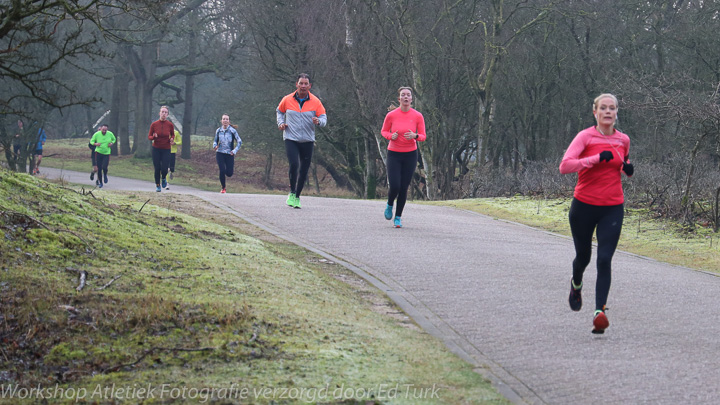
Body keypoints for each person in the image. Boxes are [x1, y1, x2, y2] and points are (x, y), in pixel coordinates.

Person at [559, 93, 634, 334]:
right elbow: (565, 166)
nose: (608, 112)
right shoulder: (585, 136)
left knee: (604, 259)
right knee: (584, 257)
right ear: (595, 112)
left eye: (612, 108)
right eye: (603, 108)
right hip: (584, 206)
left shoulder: (623, 139)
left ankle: (599, 313)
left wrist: (627, 170)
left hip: (612, 207)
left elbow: (622, 164)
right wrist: (594, 159)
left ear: (616, 112)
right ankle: (576, 283)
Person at [276, 73, 327, 209]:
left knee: (304, 169)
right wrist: (281, 123)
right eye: (301, 83)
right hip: (291, 138)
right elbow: (279, 112)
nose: (303, 86)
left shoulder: (316, 101)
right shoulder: (287, 99)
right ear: (296, 84)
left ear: (310, 86)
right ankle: (292, 192)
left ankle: (297, 196)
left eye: (306, 84)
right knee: (294, 164)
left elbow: (323, 118)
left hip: (307, 140)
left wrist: (319, 122)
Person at [380, 86, 426, 228]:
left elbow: (423, 136)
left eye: (408, 95)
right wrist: (390, 136)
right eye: (403, 95)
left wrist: (415, 136)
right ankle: (389, 204)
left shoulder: (417, 116)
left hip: (410, 155)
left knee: (404, 187)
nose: (406, 97)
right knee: (395, 185)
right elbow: (384, 131)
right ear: (399, 99)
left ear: (411, 99)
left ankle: (398, 217)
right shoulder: (391, 115)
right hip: (394, 154)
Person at [147, 105, 175, 192]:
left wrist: (172, 139)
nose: (164, 114)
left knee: (164, 168)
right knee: (157, 168)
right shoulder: (154, 124)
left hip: (166, 148)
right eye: (162, 112)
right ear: (159, 113)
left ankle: (163, 178)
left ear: (167, 114)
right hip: (156, 149)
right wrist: (154, 137)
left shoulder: (170, 125)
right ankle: (158, 185)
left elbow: (173, 134)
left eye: (165, 112)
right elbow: (149, 136)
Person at [213, 114, 242, 193]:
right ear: (221, 121)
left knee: (229, 173)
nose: (225, 120)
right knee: (222, 170)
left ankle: (225, 173)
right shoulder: (218, 130)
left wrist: (235, 150)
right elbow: (215, 141)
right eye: (224, 119)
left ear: (229, 121)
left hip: (230, 154)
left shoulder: (232, 131)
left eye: (227, 119)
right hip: (220, 153)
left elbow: (239, 141)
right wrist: (215, 146)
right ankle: (223, 188)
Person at [90, 124, 116, 188]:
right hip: (98, 153)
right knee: (99, 169)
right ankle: (100, 182)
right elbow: (91, 141)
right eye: (103, 130)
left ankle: (105, 175)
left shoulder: (110, 134)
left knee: (105, 167)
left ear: (107, 130)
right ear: (101, 129)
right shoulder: (97, 134)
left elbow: (114, 139)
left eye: (105, 130)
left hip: (107, 153)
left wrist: (111, 143)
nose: (104, 131)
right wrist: (95, 144)